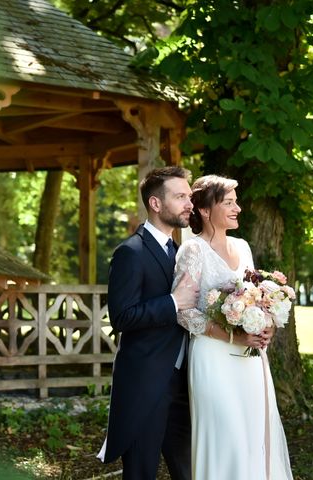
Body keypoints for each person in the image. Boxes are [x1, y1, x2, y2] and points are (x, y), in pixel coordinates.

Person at [173, 174, 293, 480]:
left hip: (251, 360)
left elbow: (257, 296)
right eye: (228, 202)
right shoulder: (192, 251)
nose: (237, 208)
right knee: (226, 435)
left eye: (235, 201)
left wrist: (267, 324)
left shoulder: (243, 246)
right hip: (213, 357)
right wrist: (232, 335)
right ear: (204, 210)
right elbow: (183, 312)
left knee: (253, 433)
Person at [98, 166, 198, 480]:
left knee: (188, 470)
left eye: (190, 197)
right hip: (146, 383)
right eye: (180, 197)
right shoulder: (130, 252)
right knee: (141, 472)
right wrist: (172, 302)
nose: (189, 204)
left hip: (186, 382)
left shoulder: (181, 253)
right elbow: (122, 317)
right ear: (156, 204)